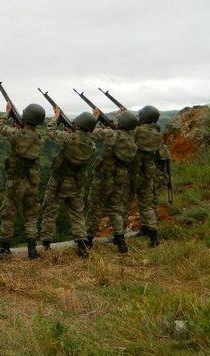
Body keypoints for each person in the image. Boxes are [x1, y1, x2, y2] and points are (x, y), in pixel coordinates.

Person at [39, 109, 96, 258]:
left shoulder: (67, 138)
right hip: (77, 183)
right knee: (77, 214)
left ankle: (46, 243)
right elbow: (82, 139)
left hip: (59, 182)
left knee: (50, 211)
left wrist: (56, 117)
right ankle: (82, 244)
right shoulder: (91, 144)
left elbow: (50, 131)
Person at [0, 103, 46, 259]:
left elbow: (1, 127)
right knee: (31, 215)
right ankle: (32, 250)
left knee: (8, 214)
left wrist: (7, 113)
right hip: (32, 182)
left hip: (16, 183)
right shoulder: (39, 139)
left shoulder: (17, 135)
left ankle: (5, 250)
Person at [85, 110, 138, 252]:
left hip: (103, 178)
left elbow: (90, 133)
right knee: (115, 209)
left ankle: (88, 240)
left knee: (95, 207)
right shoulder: (133, 138)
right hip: (119, 177)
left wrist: (95, 118)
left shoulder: (111, 134)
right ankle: (121, 242)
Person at [131, 105, 167, 247]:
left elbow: (124, 132)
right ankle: (151, 234)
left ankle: (118, 237)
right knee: (146, 204)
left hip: (133, 173)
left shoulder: (137, 131)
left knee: (122, 203)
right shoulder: (156, 133)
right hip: (147, 173)